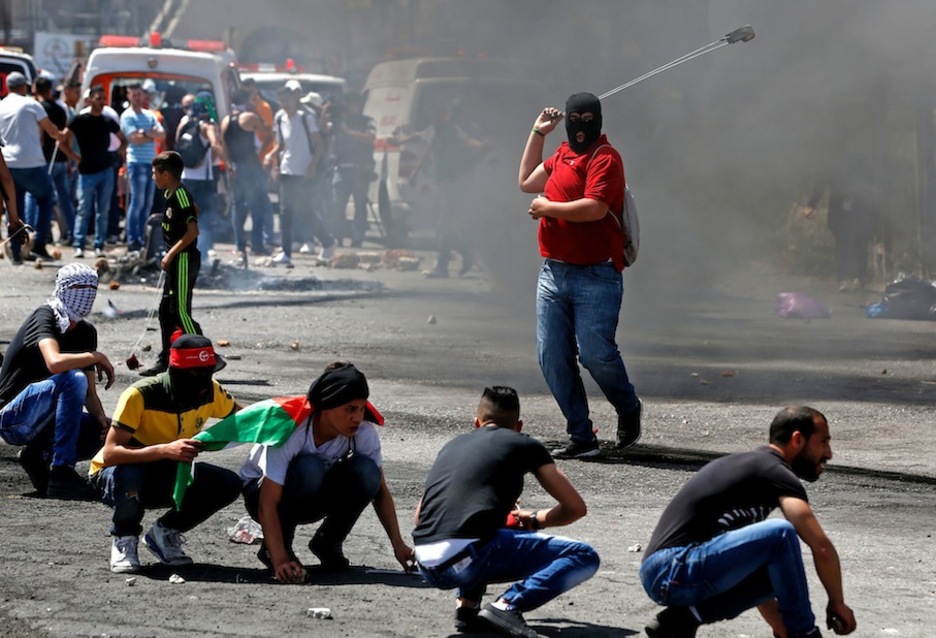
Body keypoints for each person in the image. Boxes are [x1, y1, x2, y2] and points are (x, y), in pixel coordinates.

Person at [640, 406, 857, 638]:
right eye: (823, 441)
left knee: (779, 568)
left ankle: (683, 619)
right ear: (797, 439)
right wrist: (837, 603)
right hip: (673, 566)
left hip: (665, 574)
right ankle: (804, 633)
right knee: (781, 533)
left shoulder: (755, 473)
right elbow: (821, 546)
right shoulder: (776, 472)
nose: (829, 453)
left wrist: (781, 628)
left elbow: (751, 568)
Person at [413, 386, 599, 637]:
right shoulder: (525, 444)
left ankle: (467, 608)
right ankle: (507, 605)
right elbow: (575, 508)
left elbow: (421, 516)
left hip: (426, 562)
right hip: (465, 559)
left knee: (484, 525)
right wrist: (534, 520)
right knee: (584, 556)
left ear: (476, 423)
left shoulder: (453, 445)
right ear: (519, 426)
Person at [518, 92, 641, 458]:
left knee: (595, 354)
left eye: (589, 118)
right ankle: (581, 435)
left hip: (596, 275)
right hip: (553, 273)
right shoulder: (559, 155)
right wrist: (538, 132)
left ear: (599, 120)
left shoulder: (606, 158)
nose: (581, 125)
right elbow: (526, 180)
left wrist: (547, 207)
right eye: (576, 118)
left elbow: (595, 208)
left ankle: (628, 407)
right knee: (551, 355)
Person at [239, 362, 414, 583]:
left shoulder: (363, 432)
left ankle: (328, 542)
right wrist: (280, 559)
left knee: (368, 472)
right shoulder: (292, 430)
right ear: (325, 406)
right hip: (261, 494)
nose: (358, 418)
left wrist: (398, 544)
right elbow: (267, 503)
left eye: (361, 409)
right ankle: (277, 545)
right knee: (309, 467)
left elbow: (379, 491)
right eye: (350, 409)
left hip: (312, 494)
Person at [89, 334, 243, 573]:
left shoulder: (210, 391)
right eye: (196, 374)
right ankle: (124, 537)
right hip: (116, 477)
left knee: (228, 483)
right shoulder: (140, 395)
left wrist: (284, 416)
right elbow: (110, 454)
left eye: (208, 372)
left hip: (170, 474)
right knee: (131, 473)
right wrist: (165, 450)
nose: (204, 381)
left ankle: (164, 532)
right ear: (177, 373)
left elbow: (244, 417)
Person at [0, 263, 115, 499]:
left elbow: (89, 394)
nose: (86, 294)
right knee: (73, 377)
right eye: (79, 288)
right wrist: (95, 356)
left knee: (113, 430)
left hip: (46, 418)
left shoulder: (86, 331)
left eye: (91, 288)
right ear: (62, 288)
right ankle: (62, 472)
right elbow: (54, 362)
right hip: (13, 417)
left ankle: (38, 456)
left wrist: (104, 423)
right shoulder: (45, 316)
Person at [138, 151, 207, 376]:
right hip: (177, 261)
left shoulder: (180, 195)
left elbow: (192, 231)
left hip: (184, 260)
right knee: (165, 312)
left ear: (166, 174)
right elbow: (194, 211)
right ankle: (166, 359)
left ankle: (206, 355)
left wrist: (170, 255)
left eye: (155, 173)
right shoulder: (174, 193)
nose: (153, 177)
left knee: (180, 311)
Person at [263, 80, 336, 267]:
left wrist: (312, 165)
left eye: (287, 100)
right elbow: (280, 145)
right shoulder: (279, 118)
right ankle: (286, 253)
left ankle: (328, 242)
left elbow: (319, 143)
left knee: (304, 211)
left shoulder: (306, 118)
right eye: (281, 100)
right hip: (288, 169)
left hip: (304, 172)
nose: (284, 104)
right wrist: (272, 158)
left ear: (295, 100)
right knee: (285, 212)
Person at [0, 71, 66, 262]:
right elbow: (50, 130)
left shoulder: (1, 105)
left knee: (14, 203)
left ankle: (15, 251)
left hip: (7, 162)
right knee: (46, 199)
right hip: (31, 163)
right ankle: (38, 245)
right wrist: (60, 135)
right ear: (24, 87)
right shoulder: (31, 104)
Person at [66, 86, 127, 259]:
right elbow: (63, 140)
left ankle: (99, 245)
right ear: (90, 99)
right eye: (98, 98)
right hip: (86, 172)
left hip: (106, 170)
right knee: (84, 209)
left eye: (103, 98)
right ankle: (79, 245)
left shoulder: (107, 122)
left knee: (103, 210)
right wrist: (75, 157)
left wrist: (117, 153)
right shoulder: (80, 120)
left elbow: (123, 139)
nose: (101, 101)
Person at [802, 160, 877, 292]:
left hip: (859, 206)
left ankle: (858, 279)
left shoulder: (861, 162)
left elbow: (873, 184)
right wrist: (811, 204)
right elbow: (821, 183)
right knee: (843, 244)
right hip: (840, 209)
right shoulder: (833, 163)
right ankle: (844, 280)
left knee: (859, 243)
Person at [222, 88, 273, 256]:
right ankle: (257, 245)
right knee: (257, 205)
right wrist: (261, 152)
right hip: (250, 167)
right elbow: (269, 133)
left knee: (238, 206)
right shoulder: (250, 117)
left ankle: (239, 245)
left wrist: (229, 165)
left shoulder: (226, 120)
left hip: (234, 167)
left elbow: (224, 146)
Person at [29, 76, 79, 247]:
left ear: (36, 89)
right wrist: (70, 158)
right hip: (61, 159)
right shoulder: (60, 108)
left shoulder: (37, 108)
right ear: (50, 90)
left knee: (38, 197)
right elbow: (67, 137)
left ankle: (35, 233)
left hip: (44, 160)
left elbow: (40, 137)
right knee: (64, 198)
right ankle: (72, 232)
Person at [177, 91, 226, 263]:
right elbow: (215, 146)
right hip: (203, 179)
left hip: (185, 177)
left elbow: (178, 146)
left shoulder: (185, 122)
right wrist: (227, 163)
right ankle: (201, 256)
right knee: (204, 219)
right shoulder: (209, 125)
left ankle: (183, 254)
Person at [120, 82, 165, 252]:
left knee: (147, 203)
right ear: (129, 95)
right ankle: (133, 239)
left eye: (140, 94)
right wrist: (148, 134)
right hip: (136, 162)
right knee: (137, 202)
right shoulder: (127, 116)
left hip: (151, 163)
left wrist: (144, 133)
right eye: (135, 94)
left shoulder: (149, 115)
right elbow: (134, 139)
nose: (138, 98)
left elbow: (161, 134)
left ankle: (144, 238)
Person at [332, 91, 376, 247]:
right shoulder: (340, 121)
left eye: (355, 103)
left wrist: (348, 132)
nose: (352, 106)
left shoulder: (367, 121)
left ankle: (357, 238)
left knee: (360, 205)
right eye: (350, 103)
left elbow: (369, 138)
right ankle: (338, 236)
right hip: (341, 169)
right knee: (338, 205)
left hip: (360, 170)